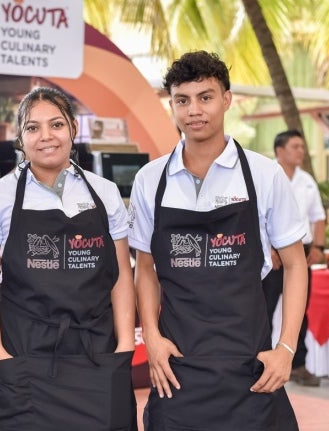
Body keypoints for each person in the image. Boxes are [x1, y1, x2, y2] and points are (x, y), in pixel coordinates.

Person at [128, 51, 308, 430]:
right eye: (182, 100)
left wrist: (286, 349)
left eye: (205, 97)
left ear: (226, 100)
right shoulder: (150, 179)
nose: (194, 110)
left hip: (251, 366)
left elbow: (295, 264)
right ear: (172, 105)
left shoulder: (264, 175)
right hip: (177, 368)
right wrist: (152, 339)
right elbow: (145, 267)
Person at [0, 87, 138, 430]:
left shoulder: (104, 193)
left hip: (95, 355)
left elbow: (121, 275)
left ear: (73, 129)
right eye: (33, 128)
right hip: (22, 357)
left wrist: (123, 347)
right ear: (20, 137)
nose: (46, 136)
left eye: (56, 125)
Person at [262, 129, 326, 387]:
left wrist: (319, 246)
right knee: (263, 311)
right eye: (296, 146)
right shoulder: (266, 176)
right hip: (273, 254)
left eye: (302, 146)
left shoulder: (307, 180)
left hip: (303, 252)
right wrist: (269, 249)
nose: (301, 151)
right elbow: (257, 218)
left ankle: (298, 364)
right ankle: (260, 361)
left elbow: (318, 217)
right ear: (280, 150)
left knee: (300, 311)